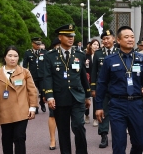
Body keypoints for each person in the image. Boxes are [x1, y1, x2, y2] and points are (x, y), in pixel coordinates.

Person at [95, 25, 143, 154]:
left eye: (132, 37)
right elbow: (102, 84)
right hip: (117, 105)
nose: (130, 40)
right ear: (118, 40)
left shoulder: (141, 59)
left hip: (137, 104)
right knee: (119, 144)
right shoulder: (110, 60)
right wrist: (98, 106)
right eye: (126, 37)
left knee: (139, 142)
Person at [42, 24, 91, 154]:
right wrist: (50, 96)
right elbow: (47, 77)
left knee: (78, 126)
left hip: (77, 97)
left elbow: (83, 77)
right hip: (60, 98)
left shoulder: (79, 54)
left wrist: (87, 96)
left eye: (72, 36)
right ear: (60, 37)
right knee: (63, 130)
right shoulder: (50, 55)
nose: (71, 38)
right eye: (67, 36)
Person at [0, 46, 38, 154]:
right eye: (10, 55)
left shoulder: (25, 72)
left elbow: (32, 91)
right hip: (5, 112)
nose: (12, 58)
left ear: (18, 58)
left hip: (22, 112)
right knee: (6, 139)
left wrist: (33, 107)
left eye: (15, 56)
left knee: (19, 137)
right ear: (5, 57)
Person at [90, 30, 116, 148]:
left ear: (114, 39)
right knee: (102, 111)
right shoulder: (98, 53)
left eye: (108, 38)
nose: (105, 41)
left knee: (117, 112)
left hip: (117, 88)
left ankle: (117, 135)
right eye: (103, 39)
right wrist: (93, 88)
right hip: (103, 88)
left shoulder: (119, 52)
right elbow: (94, 72)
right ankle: (104, 135)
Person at [23, 37, 47, 113]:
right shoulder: (28, 53)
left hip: (42, 75)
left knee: (43, 91)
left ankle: (42, 103)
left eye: (39, 44)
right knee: (34, 92)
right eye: (36, 44)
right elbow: (24, 65)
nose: (38, 46)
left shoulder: (44, 52)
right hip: (32, 75)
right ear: (32, 43)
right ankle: (35, 106)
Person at [47, 37, 61, 150]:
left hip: (71, 93)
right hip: (55, 91)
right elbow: (46, 76)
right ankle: (52, 139)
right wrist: (46, 93)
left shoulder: (74, 55)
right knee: (53, 115)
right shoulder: (50, 56)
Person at [85, 39, 100, 125]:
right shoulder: (86, 56)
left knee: (95, 98)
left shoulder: (100, 55)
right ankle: (86, 114)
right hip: (87, 79)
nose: (96, 46)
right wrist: (85, 63)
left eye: (97, 45)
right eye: (94, 44)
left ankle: (95, 118)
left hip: (96, 80)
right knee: (87, 97)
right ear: (90, 46)